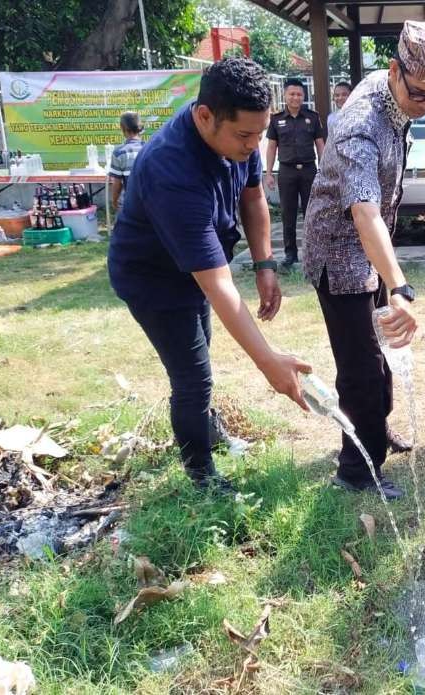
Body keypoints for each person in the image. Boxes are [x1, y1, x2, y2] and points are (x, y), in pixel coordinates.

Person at [108, 57, 312, 492]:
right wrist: (268, 362)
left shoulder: (238, 135)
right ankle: (201, 474)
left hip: (196, 264)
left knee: (199, 354)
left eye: (260, 134)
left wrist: (265, 265)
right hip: (153, 278)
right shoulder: (171, 169)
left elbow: (254, 197)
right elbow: (218, 284)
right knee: (192, 375)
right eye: (244, 135)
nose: (253, 145)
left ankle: (203, 431)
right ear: (204, 116)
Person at [303, 20, 425, 499]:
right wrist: (399, 285)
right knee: (360, 366)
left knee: (383, 351)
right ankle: (357, 468)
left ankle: (377, 430)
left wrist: (387, 275)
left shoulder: (391, 90)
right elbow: (364, 214)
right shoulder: (359, 128)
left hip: (371, 250)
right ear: (395, 71)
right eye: (420, 96)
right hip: (340, 253)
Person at [263, 78, 326, 271]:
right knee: (287, 214)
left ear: (304, 96)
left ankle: (312, 253)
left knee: (312, 213)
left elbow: (320, 145)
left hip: (309, 170)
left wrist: (324, 170)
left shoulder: (313, 117)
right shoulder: (276, 119)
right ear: (285, 95)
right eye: (292, 93)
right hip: (286, 171)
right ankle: (290, 254)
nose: (295, 97)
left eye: (299, 94)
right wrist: (268, 173)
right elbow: (272, 147)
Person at [108, 111, 146, 211]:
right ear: (140, 127)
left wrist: (115, 200)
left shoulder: (120, 153)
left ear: (122, 127)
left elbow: (117, 183)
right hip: (152, 203)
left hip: (132, 204)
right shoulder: (149, 148)